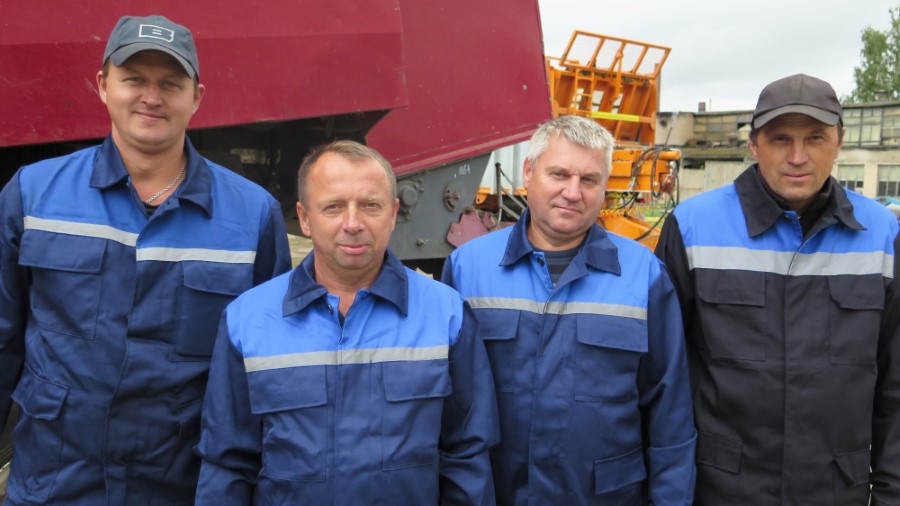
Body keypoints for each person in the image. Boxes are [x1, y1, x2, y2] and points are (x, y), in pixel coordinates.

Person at [0, 15, 292, 505]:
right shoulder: (33, 193)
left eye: (170, 84)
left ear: (196, 97)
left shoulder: (252, 216)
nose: (151, 98)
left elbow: (268, 370)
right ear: (103, 85)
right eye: (134, 79)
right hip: (54, 482)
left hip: (180, 486)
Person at [194, 140, 499, 504]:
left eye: (370, 205)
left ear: (393, 213)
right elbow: (227, 465)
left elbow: (467, 458)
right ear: (304, 217)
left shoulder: (447, 315)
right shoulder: (247, 320)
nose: (353, 224)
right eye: (333, 207)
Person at [655, 74, 900, 504]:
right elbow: (661, 378)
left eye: (815, 138)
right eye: (780, 139)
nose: (798, 157)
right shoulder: (693, 226)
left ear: (839, 142)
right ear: (754, 145)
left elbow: (895, 384)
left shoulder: (882, 233)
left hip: (834, 492)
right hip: (721, 491)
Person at [442, 115, 696, 505]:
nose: (572, 192)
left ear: (604, 186)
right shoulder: (467, 269)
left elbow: (671, 413)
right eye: (558, 174)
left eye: (589, 180)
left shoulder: (643, 275)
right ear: (529, 172)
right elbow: (447, 406)